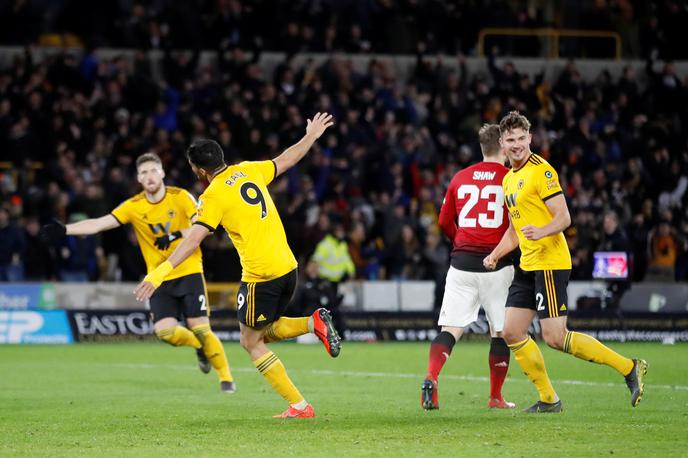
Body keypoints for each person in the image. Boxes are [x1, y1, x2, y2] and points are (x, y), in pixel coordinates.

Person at [133, 112, 341, 419]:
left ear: (200, 171)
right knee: (262, 332)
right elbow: (287, 159)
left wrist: (159, 272)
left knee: (249, 341)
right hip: (289, 267)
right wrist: (311, 135)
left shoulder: (212, 195)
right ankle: (312, 324)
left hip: (262, 276)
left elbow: (192, 240)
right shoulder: (247, 170)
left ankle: (300, 405)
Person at [483, 111, 647, 413]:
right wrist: (495, 254)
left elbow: (564, 217)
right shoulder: (509, 180)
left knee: (555, 338)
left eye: (521, 138)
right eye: (511, 140)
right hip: (527, 265)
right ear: (502, 144)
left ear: (530, 138)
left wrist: (541, 230)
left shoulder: (541, 171)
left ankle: (629, 367)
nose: (517, 144)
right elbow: (513, 230)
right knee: (511, 332)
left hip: (549, 262)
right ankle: (548, 399)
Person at [40, 152, 235, 392]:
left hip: (188, 270)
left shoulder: (181, 197)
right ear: (139, 178)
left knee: (201, 327)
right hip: (157, 278)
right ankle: (200, 347)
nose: (149, 176)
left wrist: (174, 235)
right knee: (165, 332)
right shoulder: (134, 206)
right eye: (144, 172)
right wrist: (65, 230)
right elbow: (100, 223)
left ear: (162, 173)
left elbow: (205, 228)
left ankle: (226, 379)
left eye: (154, 170)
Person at [421, 124, 516, 411]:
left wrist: (462, 239)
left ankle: (431, 376)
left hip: (461, 263)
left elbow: (443, 222)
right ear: (502, 145)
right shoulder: (511, 179)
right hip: (496, 264)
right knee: (499, 331)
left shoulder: (460, 178)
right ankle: (496, 397)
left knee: (451, 328)